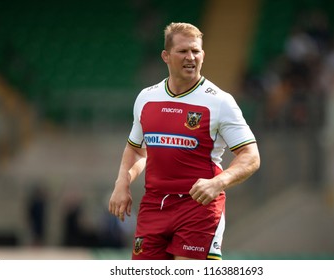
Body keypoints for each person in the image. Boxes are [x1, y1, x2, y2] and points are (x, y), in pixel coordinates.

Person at [109, 22, 260, 260]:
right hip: (153, 207)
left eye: (196, 51)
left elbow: (251, 157)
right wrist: (122, 183)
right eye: (183, 51)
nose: (191, 57)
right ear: (166, 56)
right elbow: (137, 151)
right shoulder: (146, 98)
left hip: (198, 208)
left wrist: (218, 183)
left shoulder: (220, 102)